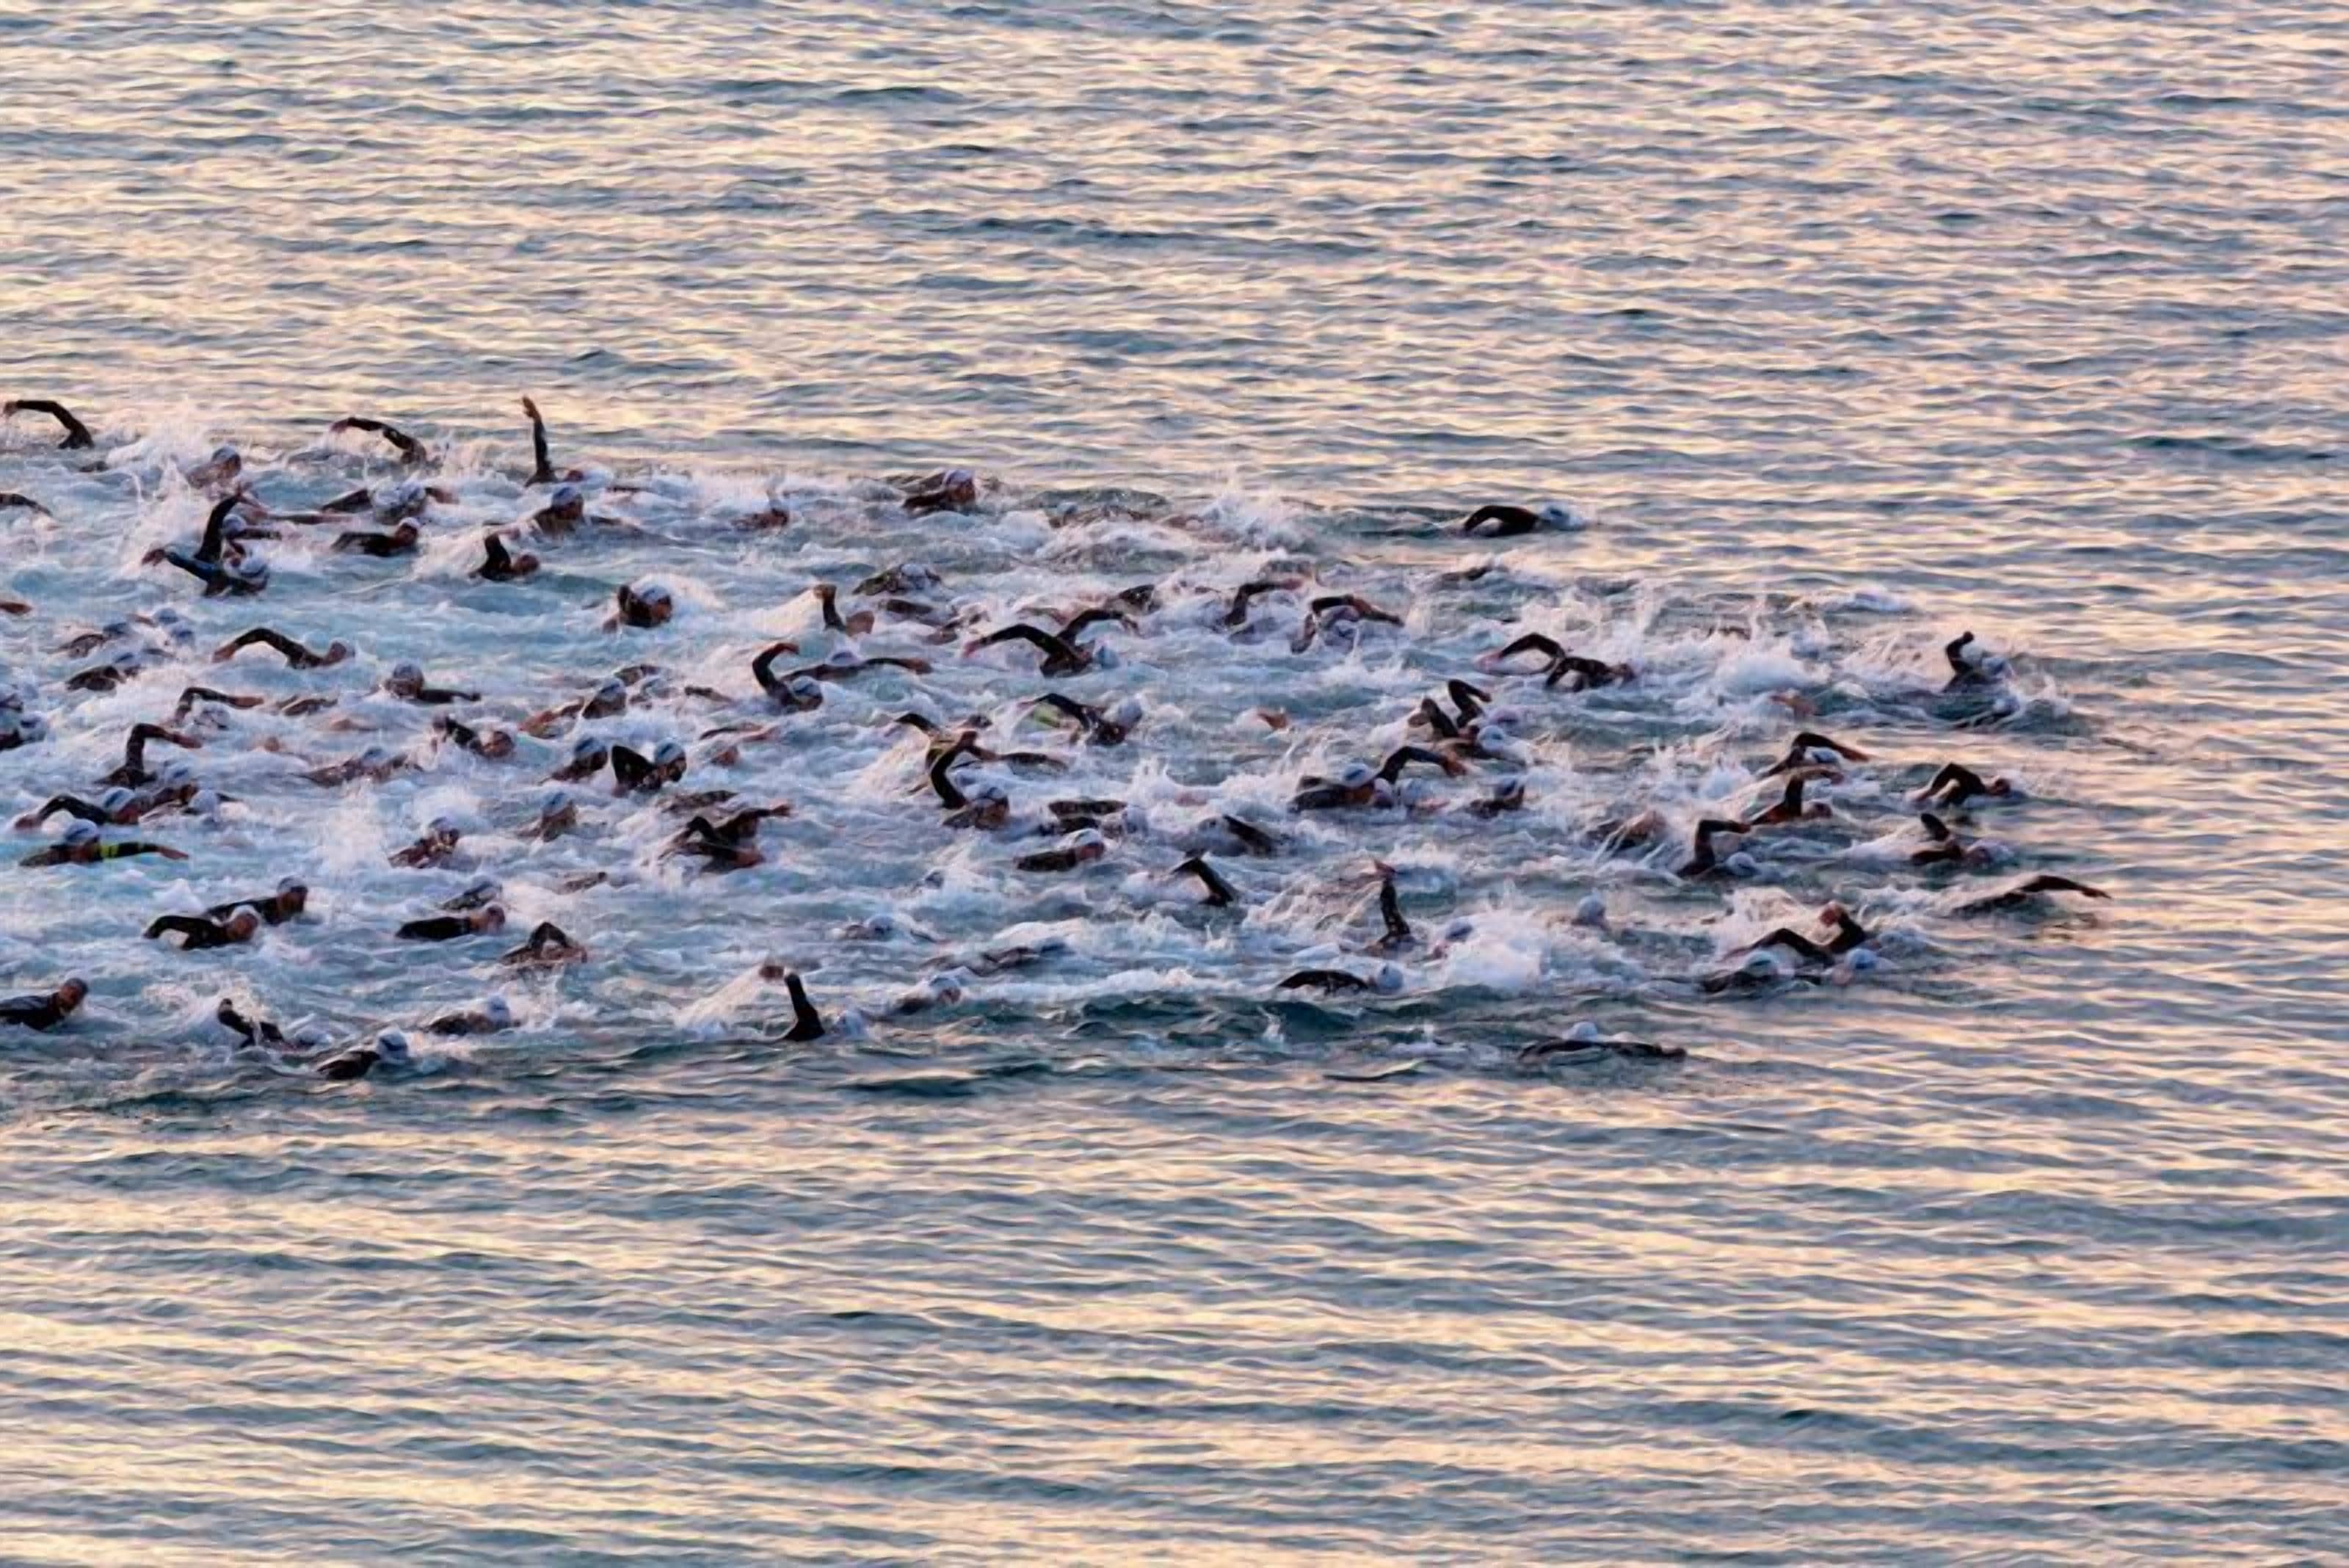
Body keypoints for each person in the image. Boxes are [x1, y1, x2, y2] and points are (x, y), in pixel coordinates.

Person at [21, 821, 187, 866]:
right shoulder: (54, 858)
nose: (100, 844)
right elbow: (24, 866)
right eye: (96, 841)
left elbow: (126, 849)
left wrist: (159, 849)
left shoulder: (96, 852)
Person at [144, 907, 264, 951]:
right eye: (243, 921)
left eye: (251, 926)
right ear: (231, 921)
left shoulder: (246, 947)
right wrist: (147, 943)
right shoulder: (206, 927)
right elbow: (164, 921)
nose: (246, 926)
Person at [0, 979, 89, 1031]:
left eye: (75, 998)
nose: (71, 1001)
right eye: (71, 996)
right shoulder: (39, 1009)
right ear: (61, 989)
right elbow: (11, 1008)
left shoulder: (55, 1011)